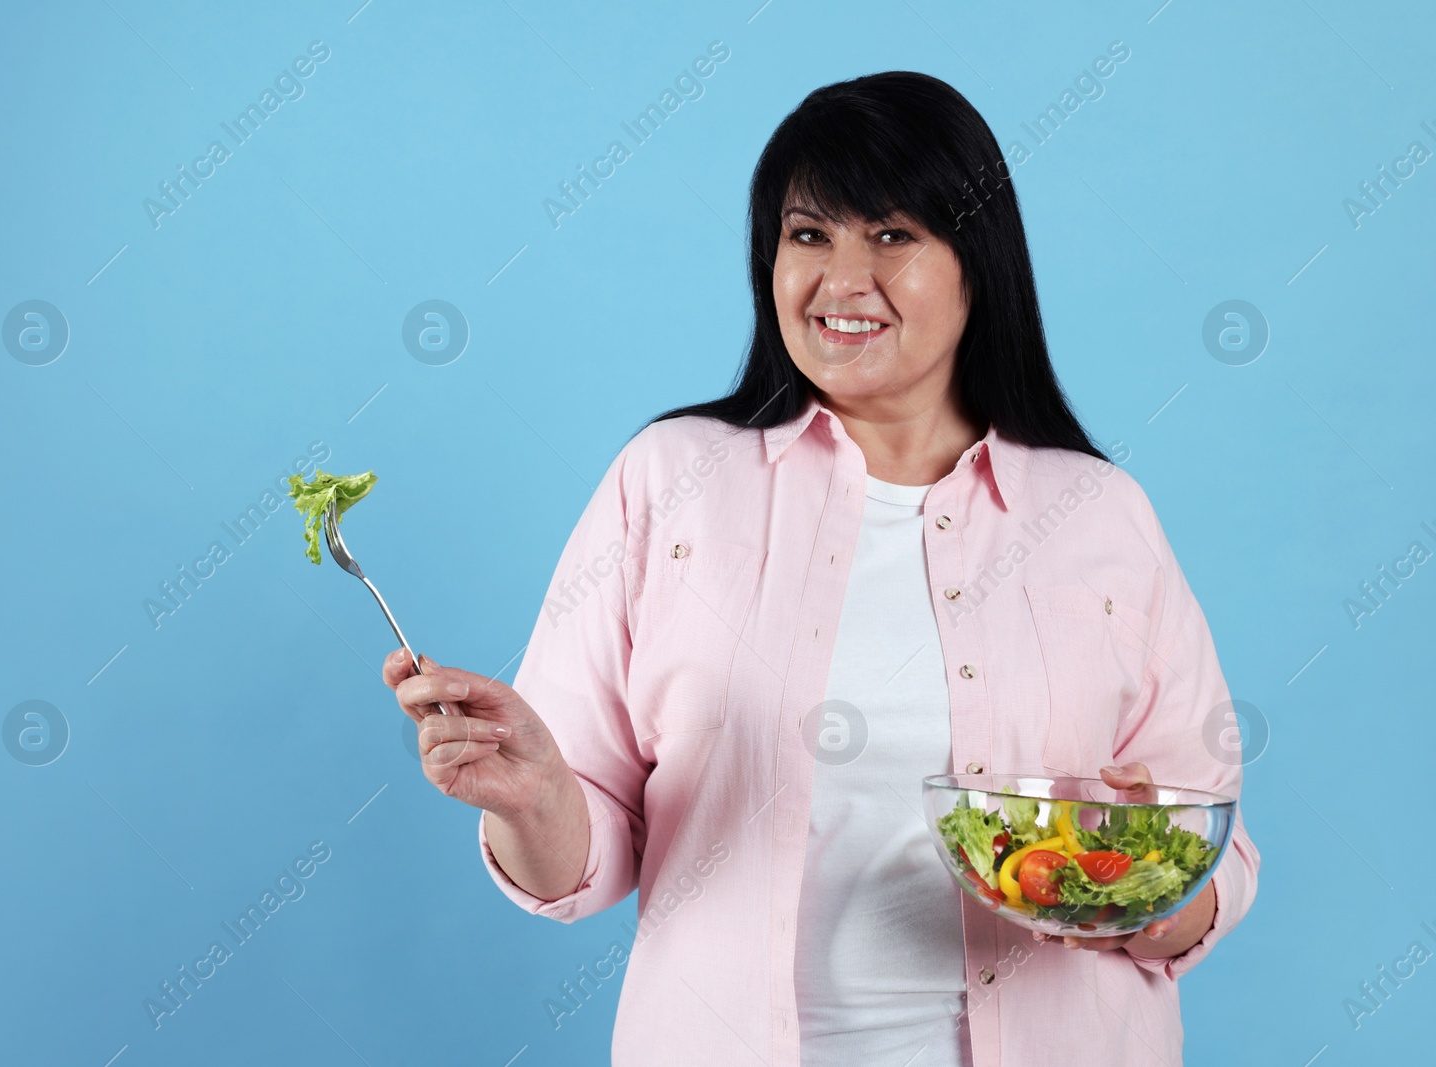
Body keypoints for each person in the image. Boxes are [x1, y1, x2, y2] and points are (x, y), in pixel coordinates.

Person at [380, 71, 1258, 1067]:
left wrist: (1144, 894)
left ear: (976, 259)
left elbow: (1205, 843)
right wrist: (536, 797)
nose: (841, 278)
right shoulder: (669, 482)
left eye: (890, 234)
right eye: (809, 234)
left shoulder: (1097, 515)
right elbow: (586, 848)